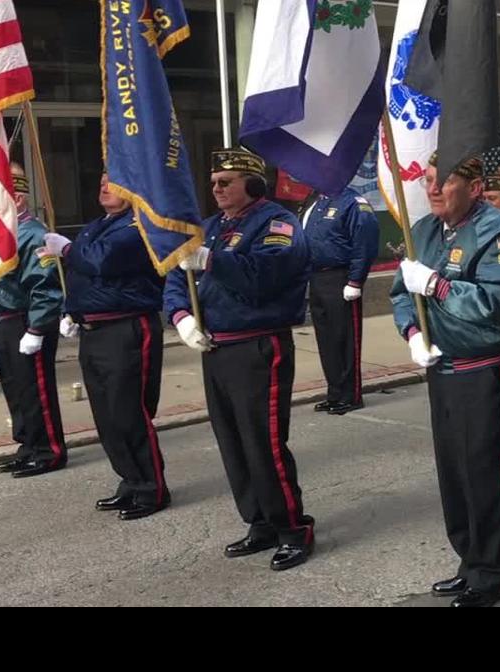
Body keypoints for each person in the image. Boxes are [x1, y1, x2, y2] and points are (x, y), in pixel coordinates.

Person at [390, 152, 500, 607]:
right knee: (454, 474)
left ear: (474, 189)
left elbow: (497, 303)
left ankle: (491, 571)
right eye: (428, 180)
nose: (430, 189)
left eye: (442, 182)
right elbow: (400, 293)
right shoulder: (426, 231)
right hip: (443, 368)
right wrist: (413, 332)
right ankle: (468, 559)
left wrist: (435, 286)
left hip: (483, 371)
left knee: (485, 474)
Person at [165, 148, 315, 571]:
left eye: (225, 182)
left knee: (262, 442)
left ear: (252, 183)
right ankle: (259, 521)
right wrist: (180, 317)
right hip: (215, 346)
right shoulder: (209, 227)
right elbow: (177, 275)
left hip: (257, 346)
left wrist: (214, 261)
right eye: (213, 182)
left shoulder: (277, 223)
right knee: (231, 441)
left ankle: (292, 528)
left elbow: (265, 276)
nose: (215, 189)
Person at [41, 173, 169, 520]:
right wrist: (71, 310)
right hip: (93, 329)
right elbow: (83, 273)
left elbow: (101, 261)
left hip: (126, 327)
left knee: (129, 411)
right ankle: (129, 480)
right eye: (100, 181)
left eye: (113, 181)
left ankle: (151, 488)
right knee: (106, 415)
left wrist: (67, 248)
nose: (103, 186)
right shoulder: (97, 225)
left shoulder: (139, 226)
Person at [0, 163, 67, 479]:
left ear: (17, 198)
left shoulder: (33, 233)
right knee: (16, 390)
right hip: (2, 320)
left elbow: (45, 285)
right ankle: (28, 445)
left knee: (36, 391)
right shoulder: (5, 234)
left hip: (25, 322)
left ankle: (49, 451)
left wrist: (36, 328)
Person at [302, 187, 380, 416]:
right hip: (317, 277)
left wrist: (355, 281)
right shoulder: (318, 200)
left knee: (345, 340)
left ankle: (350, 395)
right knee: (326, 341)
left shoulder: (353, 203)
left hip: (340, 277)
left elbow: (365, 243)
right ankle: (334, 393)